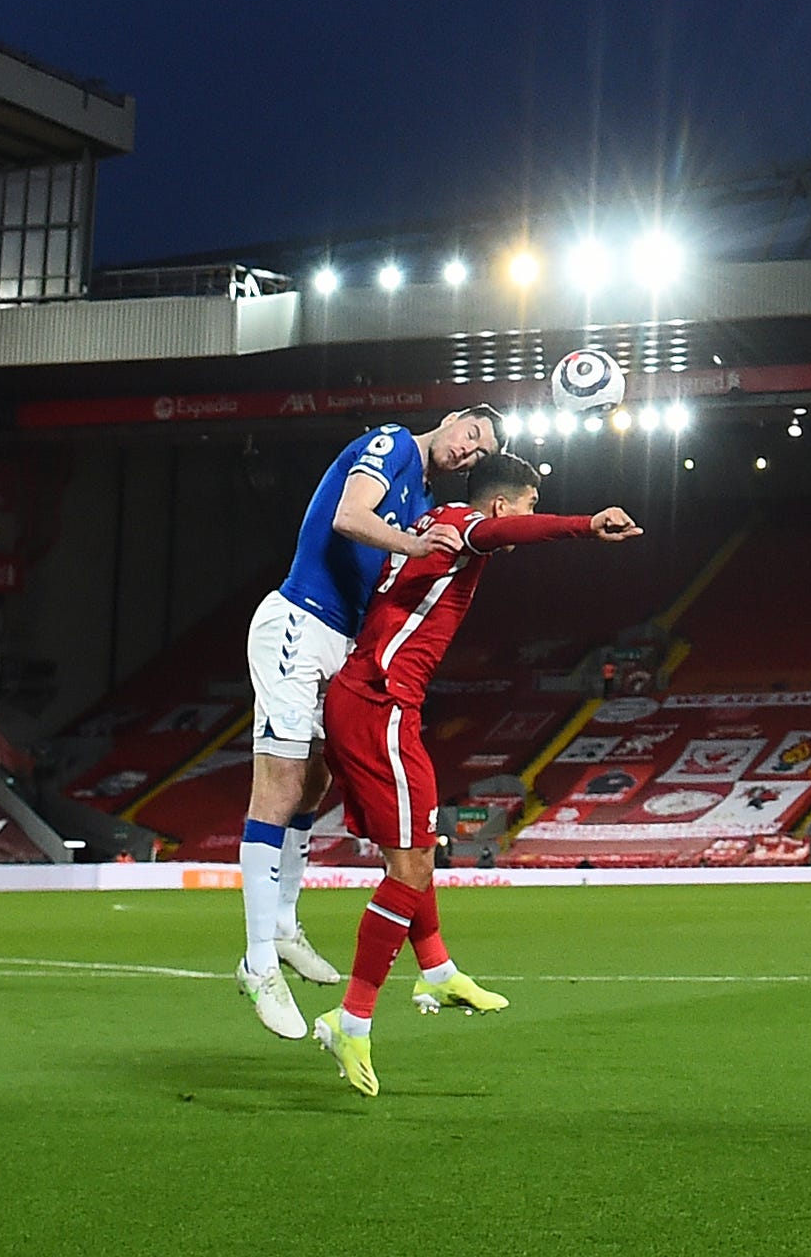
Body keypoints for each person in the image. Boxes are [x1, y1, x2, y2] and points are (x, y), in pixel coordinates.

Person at [308, 453, 640, 1095]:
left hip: (371, 697)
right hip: (381, 702)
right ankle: (351, 1020)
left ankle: (436, 969)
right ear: (500, 505)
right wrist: (582, 524)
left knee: (412, 853)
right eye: (527, 506)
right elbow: (496, 533)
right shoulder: (464, 526)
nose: (527, 519)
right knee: (408, 867)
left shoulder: (432, 520)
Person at [237, 406, 503, 1039]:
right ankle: (257, 959)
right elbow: (348, 516)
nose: (469, 453)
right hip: (299, 622)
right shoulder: (392, 446)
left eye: (480, 453)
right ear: (451, 419)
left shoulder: (422, 494)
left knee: (314, 785)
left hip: (340, 639)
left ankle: (283, 925)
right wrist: (414, 544)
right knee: (277, 788)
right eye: (471, 436)